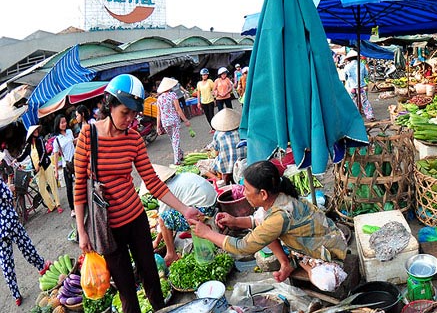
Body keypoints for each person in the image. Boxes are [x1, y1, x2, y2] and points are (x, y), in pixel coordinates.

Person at [73, 74, 201, 313]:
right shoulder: (88, 136)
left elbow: (153, 182)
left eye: (135, 113)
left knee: (150, 275)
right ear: (109, 105)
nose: (131, 119)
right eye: (125, 112)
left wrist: (185, 209)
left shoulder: (133, 139)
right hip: (107, 229)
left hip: (136, 219)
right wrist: (82, 232)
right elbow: (79, 187)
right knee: (125, 286)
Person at [189, 161, 348, 292]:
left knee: (327, 281)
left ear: (263, 194)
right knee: (261, 221)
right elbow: (257, 222)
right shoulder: (277, 198)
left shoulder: (279, 215)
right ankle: (287, 262)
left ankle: (303, 264)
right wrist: (234, 221)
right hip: (304, 243)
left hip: (329, 249)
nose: (244, 193)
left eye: (247, 190)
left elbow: (243, 247)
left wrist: (207, 233)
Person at [147, 165, 217, 266]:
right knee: (170, 216)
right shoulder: (181, 177)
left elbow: (162, 220)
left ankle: (171, 254)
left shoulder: (165, 191)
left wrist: (156, 242)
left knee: (164, 219)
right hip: (213, 202)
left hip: (203, 210)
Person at [0, 178, 51, 306]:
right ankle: (41, 266)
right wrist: (9, 188)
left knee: (6, 261)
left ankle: (16, 294)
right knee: (25, 245)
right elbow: (7, 195)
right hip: (9, 221)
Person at [18, 125, 62, 214]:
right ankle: (51, 205)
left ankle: (58, 204)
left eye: (37, 130)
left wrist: (39, 164)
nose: (36, 132)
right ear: (31, 134)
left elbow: (43, 153)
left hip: (46, 165)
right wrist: (16, 160)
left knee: (52, 184)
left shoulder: (40, 140)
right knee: (41, 189)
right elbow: (23, 156)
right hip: (37, 170)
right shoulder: (28, 146)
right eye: (34, 131)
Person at [155, 77, 191, 165]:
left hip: (165, 122)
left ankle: (180, 154)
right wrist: (185, 120)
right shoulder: (173, 95)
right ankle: (176, 160)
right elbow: (178, 109)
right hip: (174, 120)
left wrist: (158, 126)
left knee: (173, 139)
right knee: (175, 140)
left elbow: (158, 114)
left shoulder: (159, 99)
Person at [209, 108, 247, 184]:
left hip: (227, 166)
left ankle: (222, 182)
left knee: (203, 165)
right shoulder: (241, 131)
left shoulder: (218, 134)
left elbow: (216, 151)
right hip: (244, 161)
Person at [52, 114, 76, 217]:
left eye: (65, 122)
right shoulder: (57, 140)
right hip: (67, 165)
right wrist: (56, 171)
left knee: (82, 182)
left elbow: (74, 143)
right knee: (69, 187)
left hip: (76, 161)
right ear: (58, 124)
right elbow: (56, 156)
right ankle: (72, 208)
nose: (64, 124)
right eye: (62, 122)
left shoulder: (70, 132)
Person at [343, 50, 374, 120]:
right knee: (365, 101)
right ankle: (370, 116)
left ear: (349, 59)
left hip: (352, 87)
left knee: (353, 101)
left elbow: (346, 77)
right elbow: (366, 74)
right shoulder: (362, 65)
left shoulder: (347, 67)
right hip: (361, 87)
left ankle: (355, 117)